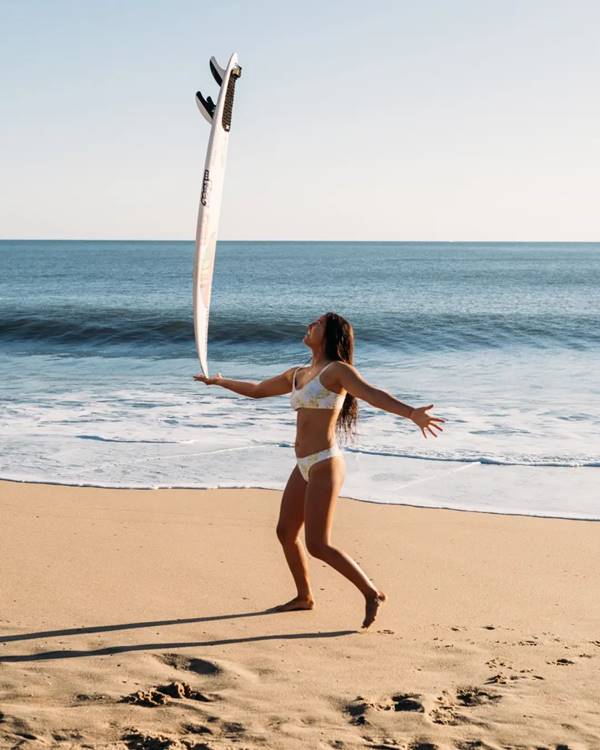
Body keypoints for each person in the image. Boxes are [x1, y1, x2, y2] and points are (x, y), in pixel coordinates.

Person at [193, 312, 444, 628]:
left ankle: (371, 591)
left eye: (318, 324)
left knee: (318, 544)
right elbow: (257, 390)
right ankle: (304, 597)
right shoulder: (298, 373)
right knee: (285, 531)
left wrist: (410, 413)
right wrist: (219, 381)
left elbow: (372, 394)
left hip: (326, 463)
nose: (310, 325)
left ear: (330, 335)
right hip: (303, 465)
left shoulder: (337, 370)